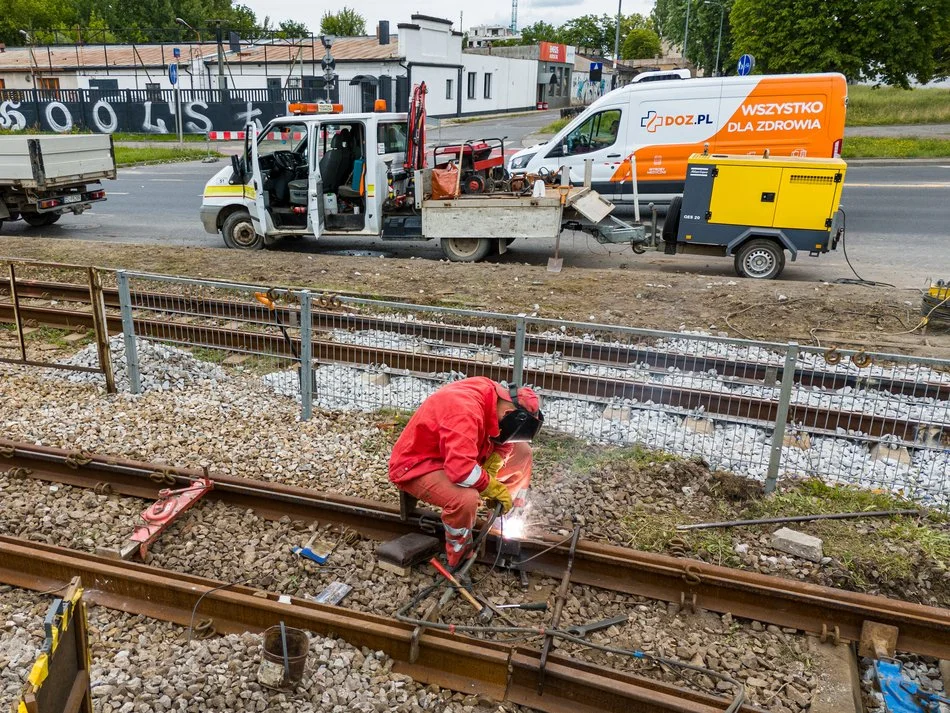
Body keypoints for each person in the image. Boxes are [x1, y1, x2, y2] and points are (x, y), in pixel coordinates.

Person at [389, 377, 543, 568]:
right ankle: (459, 556)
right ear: (510, 413)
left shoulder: (496, 397)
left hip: (456, 453)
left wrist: (494, 464)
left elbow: (502, 439)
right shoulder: (464, 410)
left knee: (523, 453)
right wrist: (491, 486)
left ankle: (501, 521)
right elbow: (461, 471)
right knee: (466, 498)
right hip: (420, 464)